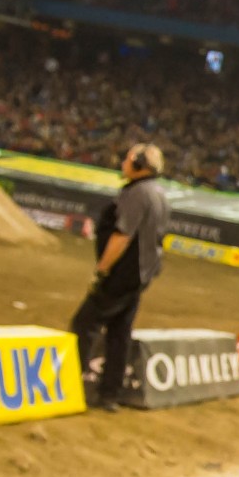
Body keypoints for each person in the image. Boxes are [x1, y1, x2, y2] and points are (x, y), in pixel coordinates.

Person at [69, 142, 169, 410]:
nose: (123, 163)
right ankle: (109, 394)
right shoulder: (158, 193)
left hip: (122, 273)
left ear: (139, 165)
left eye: (128, 159)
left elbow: (122, 236)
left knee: (84, 324)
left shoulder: (136, 194)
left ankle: (69, 387)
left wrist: (102, 270)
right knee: (119, 332)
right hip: (140, 275)